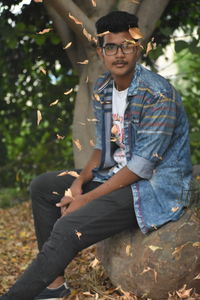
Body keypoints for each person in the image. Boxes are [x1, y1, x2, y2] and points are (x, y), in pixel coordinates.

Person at [0, 10, 192, 300]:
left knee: (68, 227)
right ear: (101, 51)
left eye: (126, 45)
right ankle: (54, 286)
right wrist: (78, 184)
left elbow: (141, 167)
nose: (119, 54)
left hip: (149, 188)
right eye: (110, 46)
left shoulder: (157, 94)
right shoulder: (104, 88)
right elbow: (104, 147)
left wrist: (85, 200)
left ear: (137, 47)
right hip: (114, 177)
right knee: (43, 186)